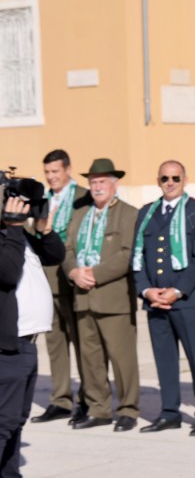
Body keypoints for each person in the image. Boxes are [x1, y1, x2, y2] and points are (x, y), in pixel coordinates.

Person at [133, 161, 195, 436]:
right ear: (158, 180)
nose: (170, 183)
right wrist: (146, 290)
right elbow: (138, 257)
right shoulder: (147, 212)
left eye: (175, 178)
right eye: (165, 178)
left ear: (185, 179)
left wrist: (176, 290)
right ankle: (169, 412)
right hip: (155, 300)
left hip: (186, 300)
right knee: (164, 360)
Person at [62, 158, 140, 432]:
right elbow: (68, 249)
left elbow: (127, 253)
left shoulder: (129, 213)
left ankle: (128, 408)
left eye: (103, 181)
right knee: (90, 358)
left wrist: (96, 274)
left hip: (113, 298)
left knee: (122, 358)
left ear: (114, 184)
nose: (97, 187)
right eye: (93, 182)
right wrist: (73, 273)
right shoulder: (80, 215)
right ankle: (99, 408)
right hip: (83, 297)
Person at [0, 196, 64, 477]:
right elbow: (7, 273)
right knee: (3, 422)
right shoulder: (10, 232)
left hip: (26, 344)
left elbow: (54, 256)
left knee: (15, 421)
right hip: (6, 348)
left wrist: (44, 230)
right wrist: (13, 227)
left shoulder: (16, 232)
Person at [31, 149, 90, 425]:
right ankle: (60, 399)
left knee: (83, 341)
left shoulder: (83, 196)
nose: (51, 177)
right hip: (47, 278)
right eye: (47, 173)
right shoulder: (42, 198)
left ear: (68, 169)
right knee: (54, 342)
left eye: (55, 172)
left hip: (73, 274)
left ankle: (89, 398)